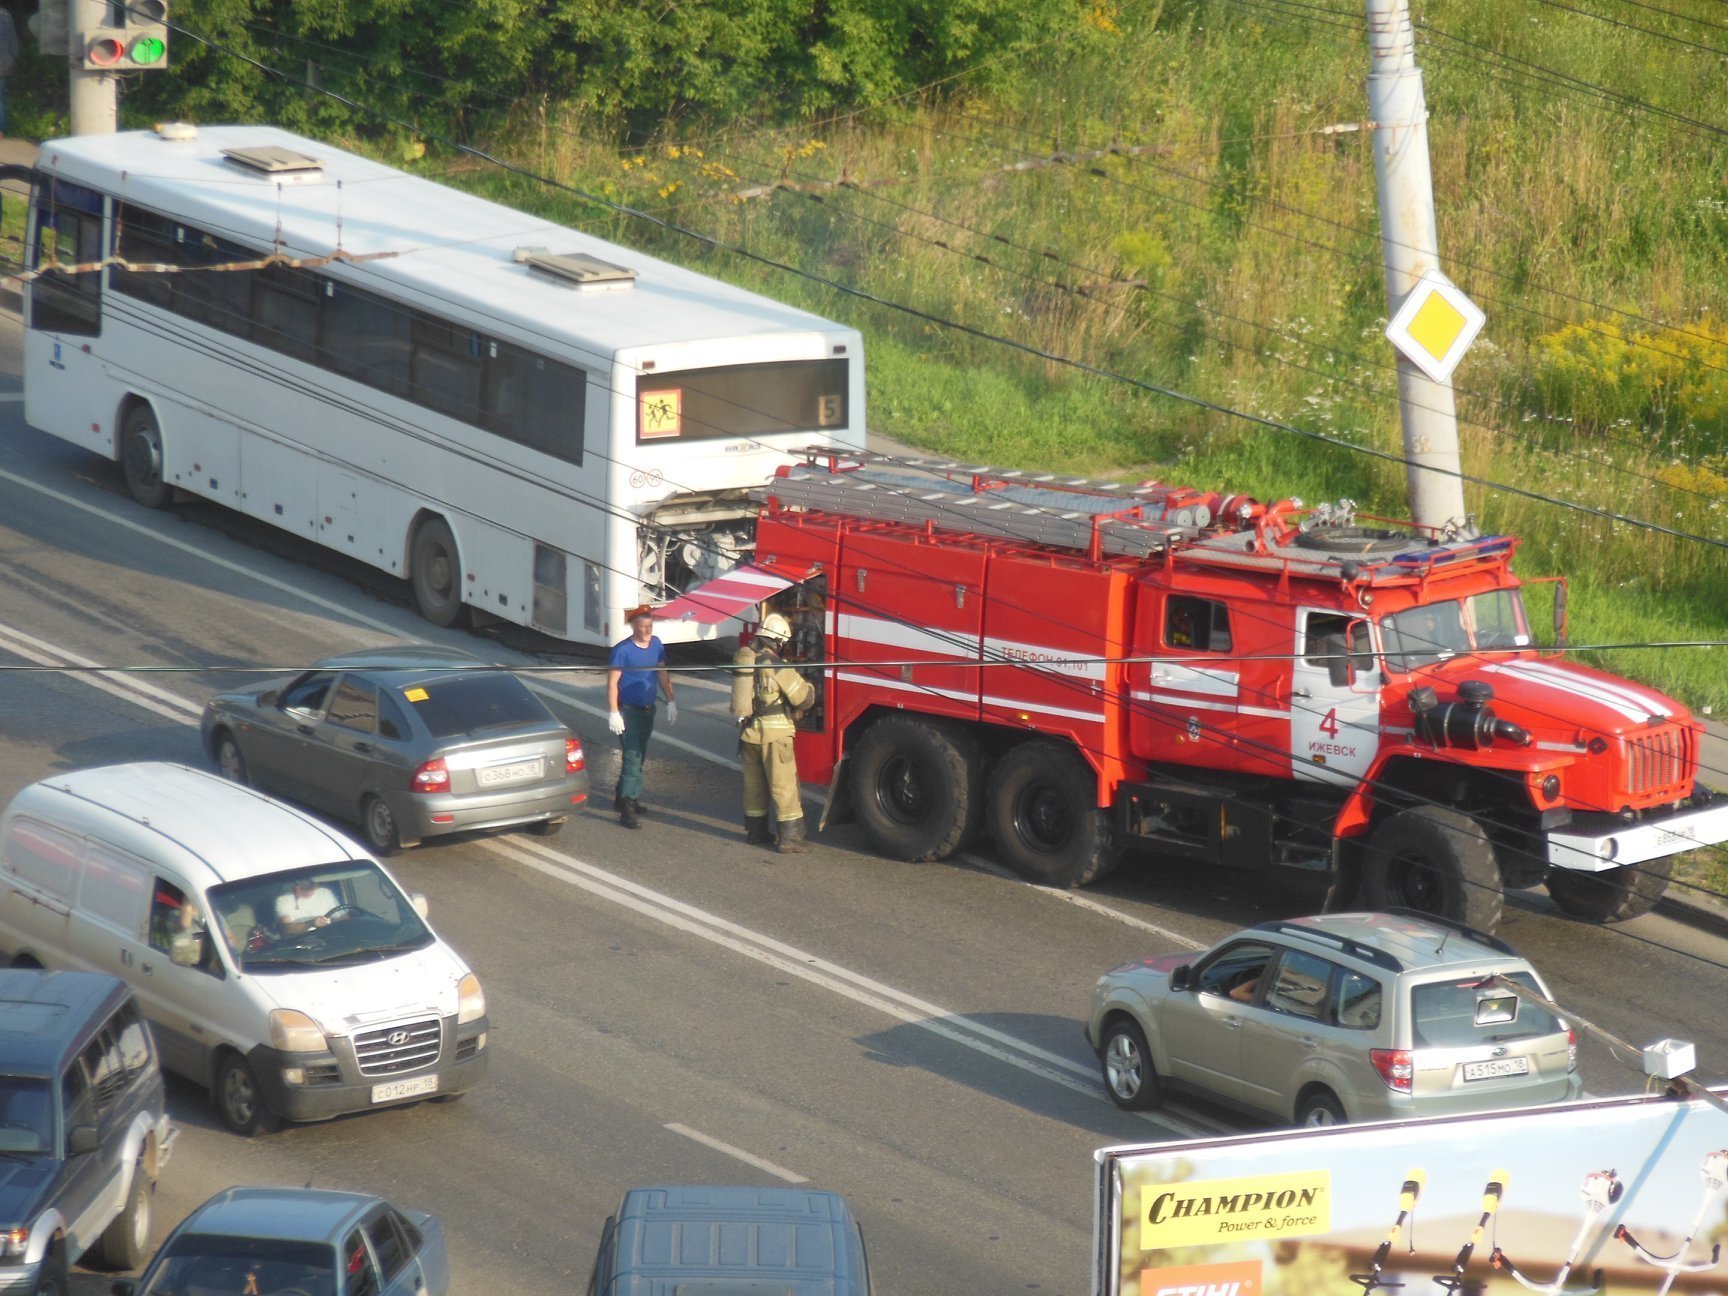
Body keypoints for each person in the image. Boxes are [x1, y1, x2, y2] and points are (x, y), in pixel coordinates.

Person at [731, 611, 814, 853]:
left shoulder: (746, 659)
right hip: (775, 737)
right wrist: (810, 687)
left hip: (748, 735)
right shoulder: (776, 666)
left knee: (754, 786)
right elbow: (803, 698)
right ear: (778, 641)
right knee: (783, 786)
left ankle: (755, 832)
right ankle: (790, 839)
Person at [606, 604, 676, 830]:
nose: (647, 630)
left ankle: (624, 796)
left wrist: (671, 699)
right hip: (629, 711)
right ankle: (628, 808)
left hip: (648, 709)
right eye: (643, 626)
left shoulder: (656, 645)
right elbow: (612, 682)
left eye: (650, 626)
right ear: (633, 627)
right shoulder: (623, 650)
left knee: (639, 755)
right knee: (632, 759)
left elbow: (662, 673)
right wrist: (613, 712)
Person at [275, 877, 339, 937]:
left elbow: (341, 917)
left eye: (312, 884)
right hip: (300, 943)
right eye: (305, 885)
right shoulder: (284, 899)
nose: (310, 887)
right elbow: (287, 930)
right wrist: (311, 923)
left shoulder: (325, 893)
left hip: (329, 936)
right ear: (296, 886)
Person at [0, 8, 16, 141]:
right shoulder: (6, 15)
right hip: (4, 63)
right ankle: (1, 131)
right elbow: (13, 43)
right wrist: (12, 60)